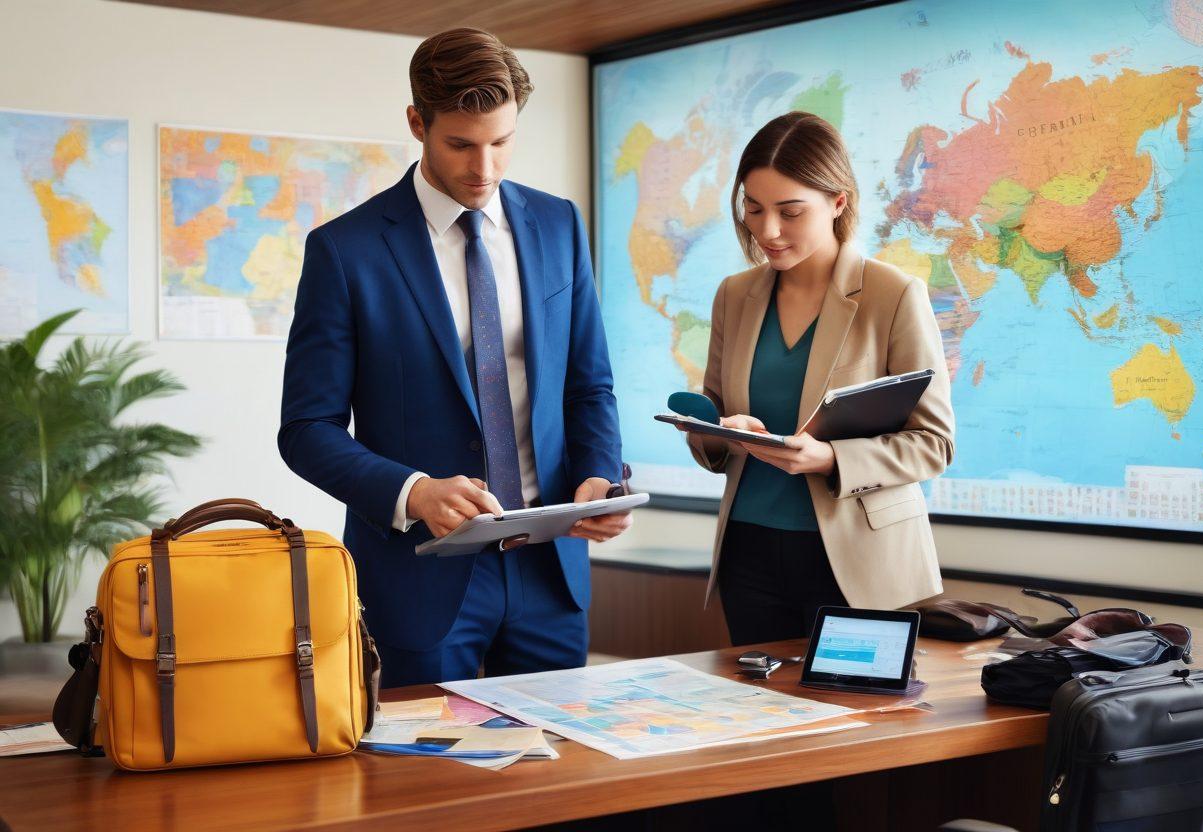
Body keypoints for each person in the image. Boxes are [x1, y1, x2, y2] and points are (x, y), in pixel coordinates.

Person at [279, 28, 632, 687]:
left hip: (552, 570)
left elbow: (589, 387)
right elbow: (306, 431)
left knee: (555, 780)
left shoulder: (560, 226)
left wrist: (596, 477)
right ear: (418, 123)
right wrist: (413, 493)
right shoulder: (345, 251)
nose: (485, 168)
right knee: (425, 783)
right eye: (461, 144)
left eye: (502, 142)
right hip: (420, 577)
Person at [684, 111, 955, 647]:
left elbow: (934, 443)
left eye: (789, 212)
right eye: (754, 209)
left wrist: (831, 459)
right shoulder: (734, 295)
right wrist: (714, 428)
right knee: (763, 714)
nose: (767, 231)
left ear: (838, 201)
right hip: (749, 552)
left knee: (854, 724)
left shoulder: (893, 295)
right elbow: (711, 411)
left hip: (859, 559)